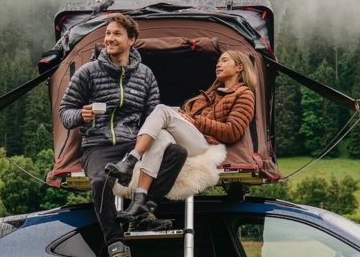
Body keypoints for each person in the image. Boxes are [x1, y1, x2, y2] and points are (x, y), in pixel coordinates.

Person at [59, 14, 187, 257]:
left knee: (177, 153)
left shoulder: (145, 75)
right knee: (99, 181)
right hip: (98, 144)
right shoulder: (88, 72)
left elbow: (154, 116)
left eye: (116, 34)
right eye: (107, 34)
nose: (109, 39)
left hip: (132, 143)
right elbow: (64, 112)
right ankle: (117, 251)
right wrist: (80, 116)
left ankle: (144, 209)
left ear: (132, 40)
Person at [105, 50, 256, 223]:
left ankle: (131, 160)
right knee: (160, 134)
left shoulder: (244, 94)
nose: (218, 64)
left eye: (224, 60)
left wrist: (193, 120)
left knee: (161, 110)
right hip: (192, 137)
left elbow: (232, 131)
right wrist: (185, 116)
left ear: (239, 67)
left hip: (205, 143)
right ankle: (139, 200)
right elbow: (190, 121)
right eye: (218, 61)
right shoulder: (211, 93)